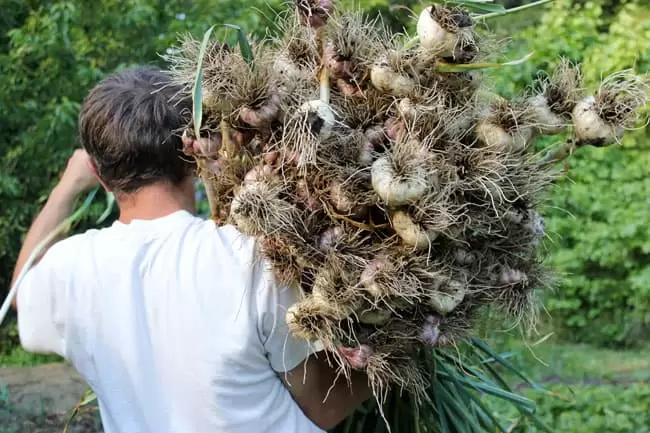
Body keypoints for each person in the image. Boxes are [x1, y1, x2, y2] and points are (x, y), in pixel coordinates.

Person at [11, 65, 372, 433]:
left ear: (100, 176)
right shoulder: (249, 256)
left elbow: (22, 292)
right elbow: (320, 405)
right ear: (193, 151)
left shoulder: (73, 268)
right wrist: (396, 349)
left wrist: (68, 186)